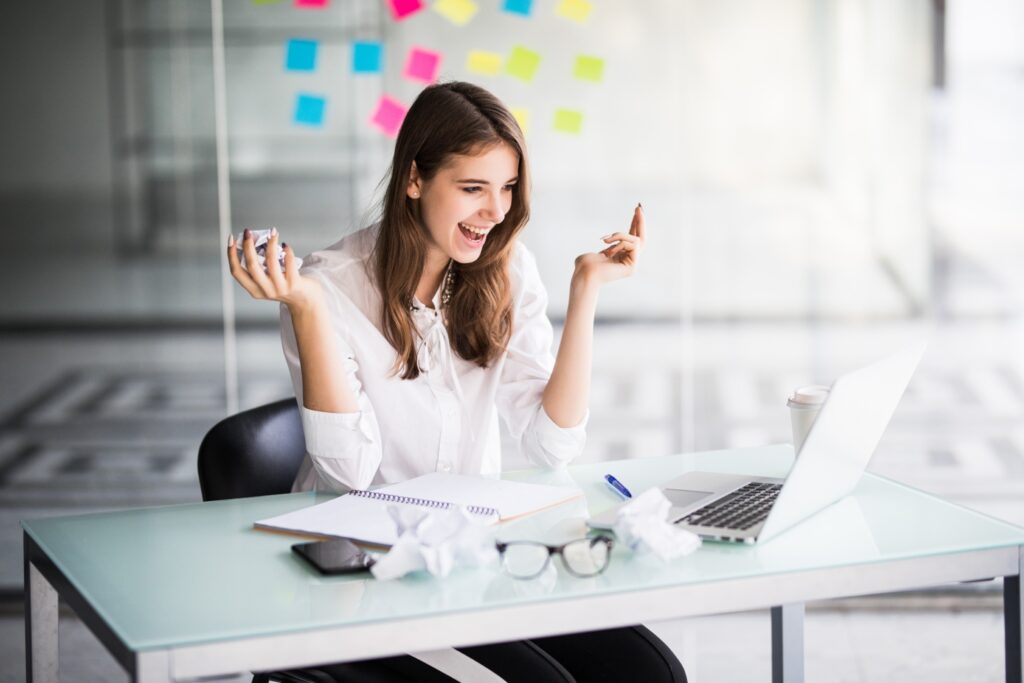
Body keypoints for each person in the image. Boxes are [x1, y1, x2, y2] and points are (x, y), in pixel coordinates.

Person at [228, 81, 685, 683]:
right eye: (473, 189)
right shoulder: (330, 287)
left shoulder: (505, 269)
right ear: (414, 180)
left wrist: (586, 289)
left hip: (468, 553)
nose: (496, 212)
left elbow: (554, 444)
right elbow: (349, 472)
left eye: (507, 188)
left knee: (649, 673)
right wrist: (307, 309)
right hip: (362, 572)